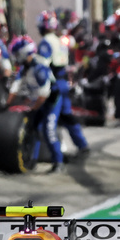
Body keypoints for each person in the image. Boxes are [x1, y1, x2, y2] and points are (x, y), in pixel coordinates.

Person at [8, 36, 64, 173]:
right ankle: (32, 159)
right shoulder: (25, 68)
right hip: (38, 100)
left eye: (17, 54)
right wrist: (7, 104)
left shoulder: (40, 69)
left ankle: (58, 162)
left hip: (51, 101)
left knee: (48, 130)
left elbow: (44, 94)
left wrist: (34, 108)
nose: (15, 57)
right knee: (33, 128)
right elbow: (16, 87)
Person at [37, 10, 88, 154]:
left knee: (49, 123)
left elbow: (43, 66)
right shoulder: (61, 38)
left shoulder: (46, 42)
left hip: (54, 85)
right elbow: (72, 42)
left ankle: (56, 158)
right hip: (64, 83)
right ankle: (82, 144)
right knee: (67, 116)